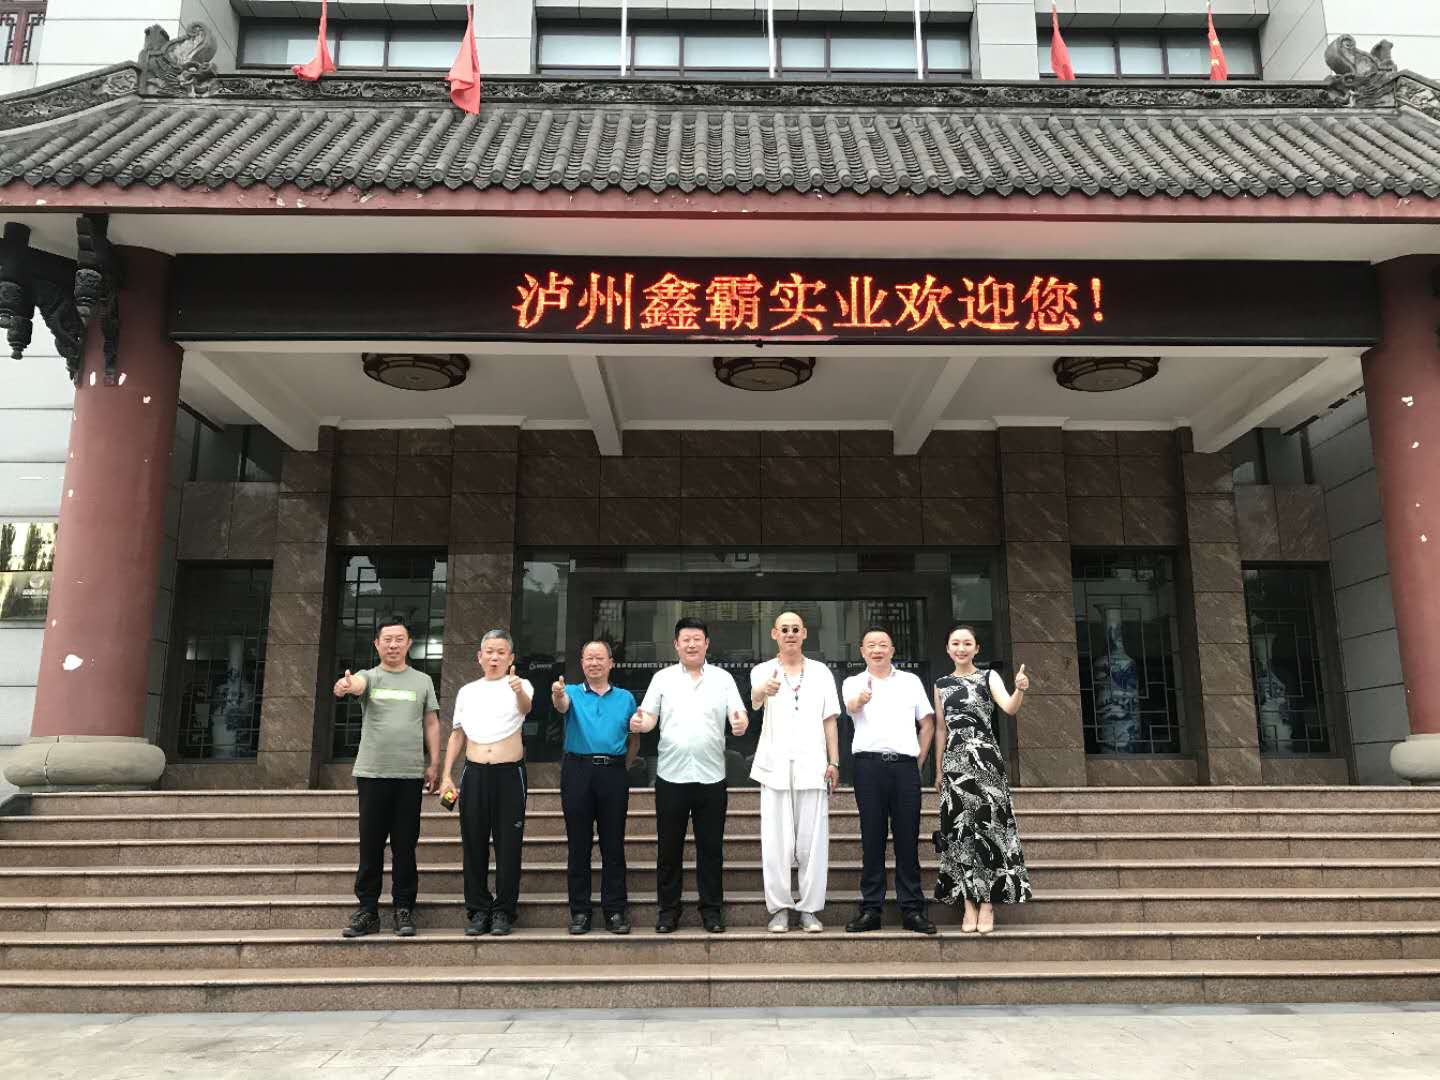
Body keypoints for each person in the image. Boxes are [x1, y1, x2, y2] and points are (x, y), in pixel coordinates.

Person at [630, 616, 748, 933]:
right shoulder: (663, 679)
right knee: (669, 849)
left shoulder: (723, 679)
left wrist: (740, 724)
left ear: (707, 644)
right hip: (672, 777)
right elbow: (649, 717)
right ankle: (668, 912)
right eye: (686, 639)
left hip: (712, 777)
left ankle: (712, 912)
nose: (692, 644)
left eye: (697, 639)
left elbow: (739, 716)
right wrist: (641, 723)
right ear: (676, 644)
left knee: (711, 850)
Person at [333, 615, 441, 939]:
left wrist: (434, 763)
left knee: (405, 846)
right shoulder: (370, 676)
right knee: (371, 844)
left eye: (399, 639)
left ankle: (403, 908)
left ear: (409, 644)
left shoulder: (422, 681)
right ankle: (367, 910)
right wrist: (346, 685)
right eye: (387, 640)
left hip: (409, 775)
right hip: (373, 773)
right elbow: (356, 684)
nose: (393, 645)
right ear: (377, 644)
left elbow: (431, 723)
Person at [933, 625, 1033, 934]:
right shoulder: (941, 684)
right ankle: (968, 904)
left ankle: (988, 903)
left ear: (977, 648)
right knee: (960, 833)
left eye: (967, 643)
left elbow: (1009, 708)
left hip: (986, 762)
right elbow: (941, 729)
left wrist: (1020, 689)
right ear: (947, 649)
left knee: (990, 830)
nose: (961, 648)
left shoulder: (988, 677)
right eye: (955, 643)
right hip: (954, 764)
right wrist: (938, 771)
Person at [840, 627, 937, 935]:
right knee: (872, 838)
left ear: (892, 650)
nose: (877, 649)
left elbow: (927, 724)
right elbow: (851, 707)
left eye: (883, 645)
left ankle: (912, 910)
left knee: (908, 838)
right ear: (862, 651)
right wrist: (861, 699)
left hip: (905, 768)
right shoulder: (853, 682)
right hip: (868, 767)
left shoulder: (910, 681)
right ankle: (871, 909)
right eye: (871, 645)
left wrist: (918, 761)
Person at [749, 611, 840, 933]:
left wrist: (834, 761)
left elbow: (830, 719)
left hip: (812, 763)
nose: (790, 634)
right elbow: (754, 700)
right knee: (776, 843)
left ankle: (810, 909)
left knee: (812, 844)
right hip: (774, 766)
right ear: (774, 634)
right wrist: (764, 690)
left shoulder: (821, 672)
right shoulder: (762, 670)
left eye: (795, 629)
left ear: (804, 634)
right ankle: (779, 909)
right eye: (784, 629)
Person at [438, 628, 532, 937]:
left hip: (509, 774)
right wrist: (446, 774)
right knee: (474, 843)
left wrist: (517, 689)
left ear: (510, 658)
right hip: (475, 772)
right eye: (489, 652)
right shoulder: (467, 691)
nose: (494, 657)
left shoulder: (521, 685)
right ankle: (478, 909)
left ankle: (504, 910)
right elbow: (457, 735)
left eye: (501, 652)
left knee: (509, 845)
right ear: (479, 656)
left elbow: (526, 708)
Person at [551, 639, 639, 935]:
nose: (594, 663)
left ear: (611, 663)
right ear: (582, 663)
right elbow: (561, 705)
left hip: (613, 772)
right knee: (579, 844)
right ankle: (580, 911)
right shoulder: (572, 692)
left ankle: (615, 911)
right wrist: (557, 694)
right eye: (589, 658)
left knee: (613, 844)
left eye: (600, 658)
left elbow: (634, 737)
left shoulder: (625, 698)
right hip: (578, 771)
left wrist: (622, 767)